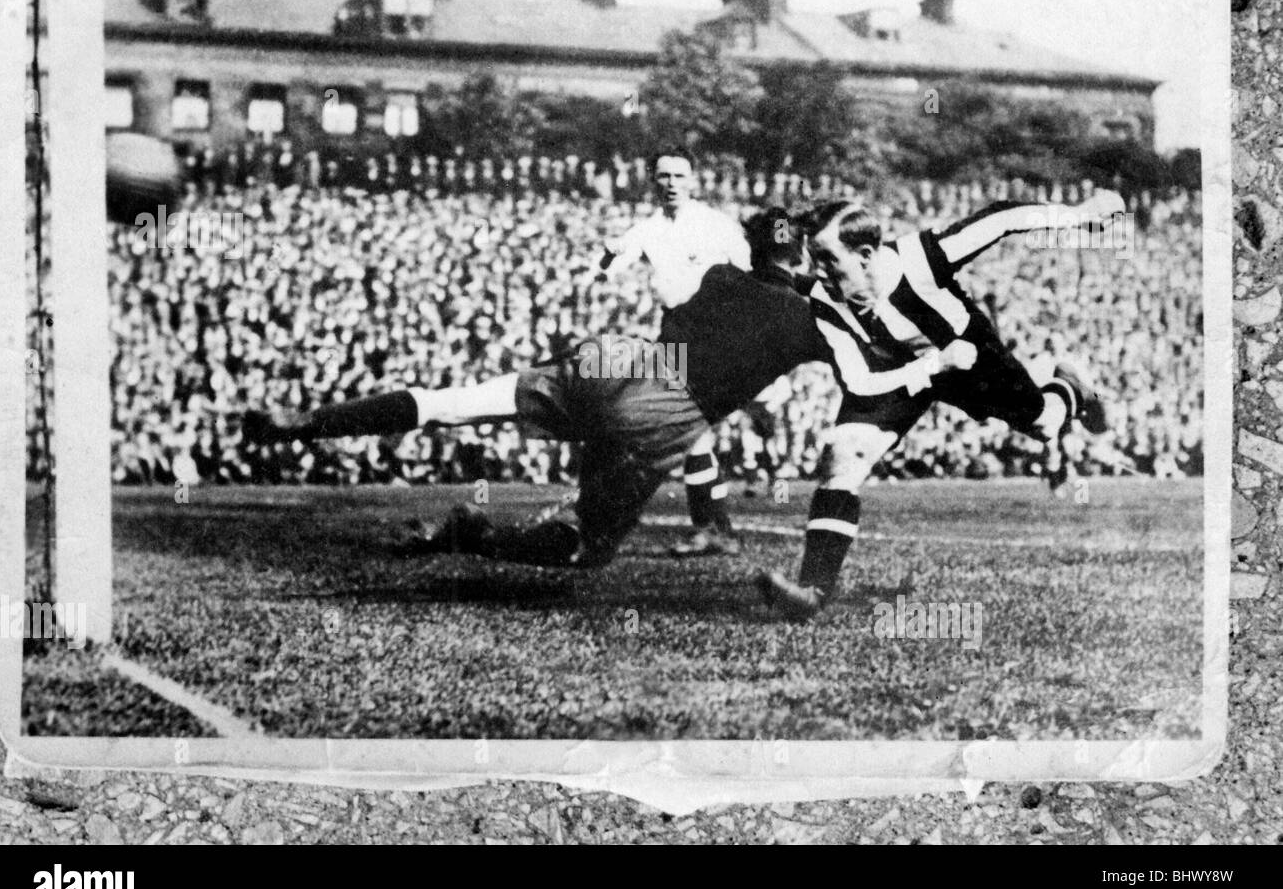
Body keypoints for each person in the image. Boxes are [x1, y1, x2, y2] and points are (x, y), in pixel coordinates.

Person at [241, 209, 973, 571]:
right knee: (585, 553)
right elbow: (869, 372)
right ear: (805, 260)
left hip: (616, 360)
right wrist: (939, 359)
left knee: (452, 402)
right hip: (663, 411)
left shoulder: (719, 277)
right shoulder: (810, 315)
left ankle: (304, 422)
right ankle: (471, 532)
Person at [757, 193, 1124, 620]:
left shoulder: (921, 257)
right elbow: (860, 382)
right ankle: (812, 590)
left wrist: (1077, 217)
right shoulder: (826, 298)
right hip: (902, 369)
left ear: (865, 255)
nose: (817, 271)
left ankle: (1068, 386)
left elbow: (1000, 219)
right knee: (844, 452)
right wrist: (933, 364)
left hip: (972, 358)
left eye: (827, 259)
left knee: (1045, 425)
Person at [599, 147, 751, 556]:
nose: (671, 184)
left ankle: (712, 528)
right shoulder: (646, 228)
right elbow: (608, 266)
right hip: (674, 330)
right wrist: (606, 255)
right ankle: (716, 528)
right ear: (653, 179)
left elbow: (750, 275)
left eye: (680, 176)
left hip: (710, 328)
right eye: (664, 176)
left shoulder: (716, 225)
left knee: (688, 426)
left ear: (693, 180)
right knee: (690, 431)